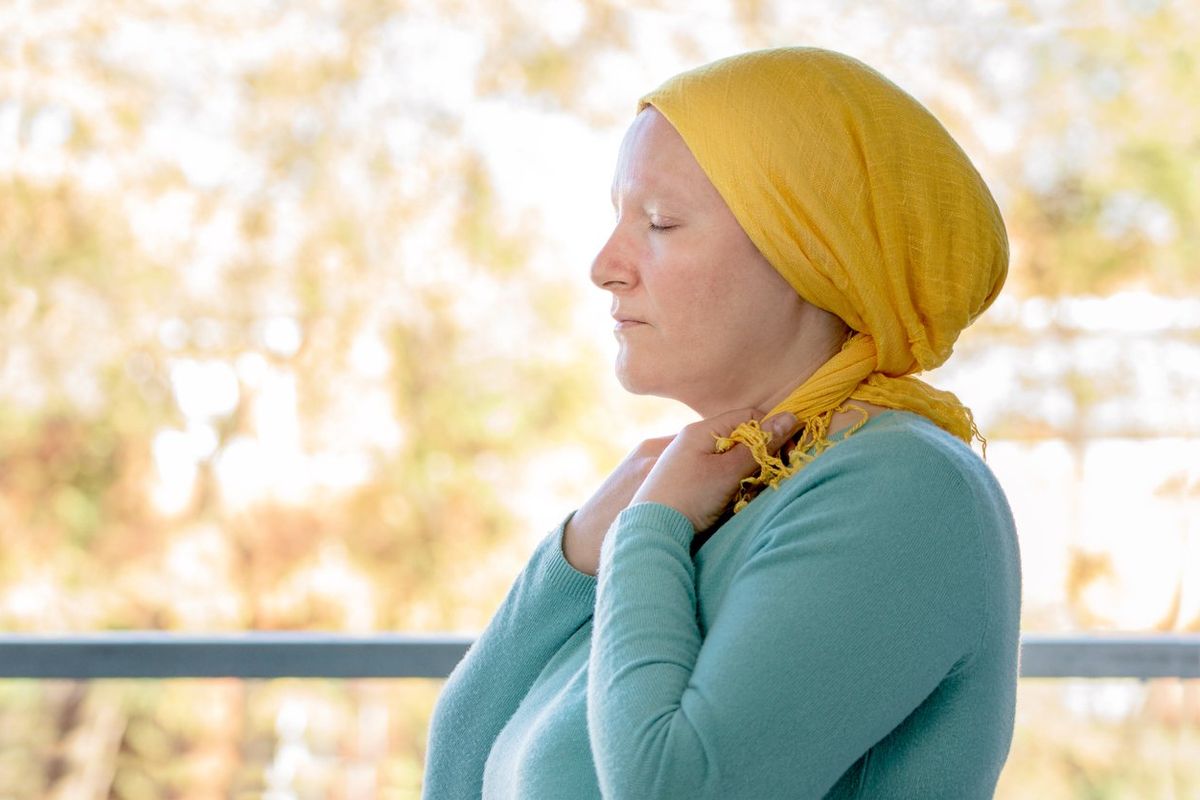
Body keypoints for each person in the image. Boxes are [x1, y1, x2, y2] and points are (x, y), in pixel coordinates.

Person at [422, 46, 1021, 799]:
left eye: (660, 222)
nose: (605, 266)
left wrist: (650, 532)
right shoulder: (720, 497)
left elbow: (675, 788)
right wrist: (574, 561)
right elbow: (459, 770)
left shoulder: (904, 489)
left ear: (810, 252)